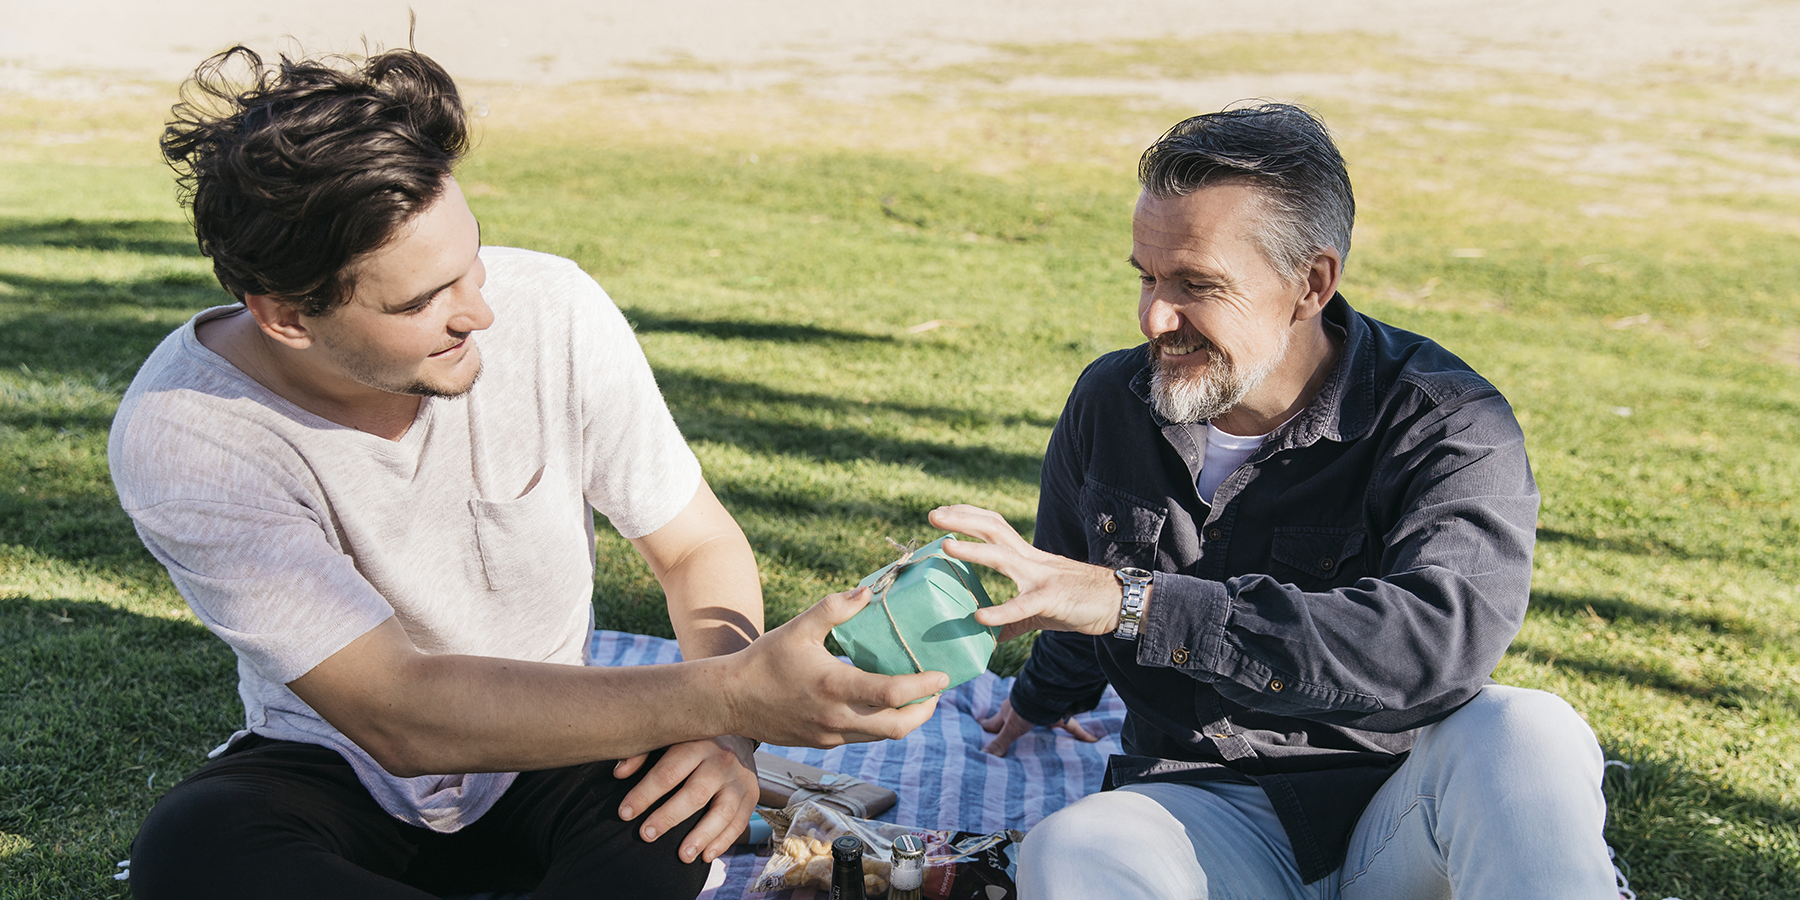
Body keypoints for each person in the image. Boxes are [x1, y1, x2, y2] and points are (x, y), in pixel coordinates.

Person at [109, 46, 948, 900]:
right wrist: (733, 695)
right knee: (191, 852)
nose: (480, 310)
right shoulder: (187, 431)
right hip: (334, 768)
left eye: (469, 261)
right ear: (286, 317)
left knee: (672, 818)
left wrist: (726, 739)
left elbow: (694, 545)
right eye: (419, 302)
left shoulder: (556, 307)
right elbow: (397, 711)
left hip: (561, 749)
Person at [927, 104, 1618, 899]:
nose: (1155, 316)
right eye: (1146, 276)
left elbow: (1437, 639)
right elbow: (1076, 594)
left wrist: (1141, 604)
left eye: (1198, 285)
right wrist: (1040, 700)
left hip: (1400, 810)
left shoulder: (1448, 420)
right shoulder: (1109, 403)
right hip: (1198, 808)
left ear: (1311, 283)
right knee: (1074, 846)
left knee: (1528, 731)